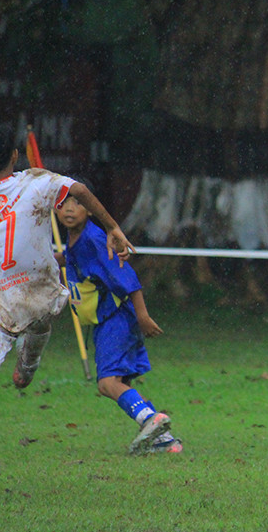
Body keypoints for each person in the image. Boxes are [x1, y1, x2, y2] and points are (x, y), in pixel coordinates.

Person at [0, 96, 135, 501]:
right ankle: (29, 365)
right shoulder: (37, 182)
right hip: (43, 294)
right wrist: (113, 228)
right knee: (40, 323)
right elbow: (80, 189)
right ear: (16, 155)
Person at [54, 190, 180, 455]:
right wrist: (50, 261)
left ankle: (151, 420)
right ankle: (165, 441)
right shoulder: (76, 238)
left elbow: (127, 276)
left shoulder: (95, 239)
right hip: (108, 320)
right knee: (122, 383)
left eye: (77, 202)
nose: (68, 208)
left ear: (90, 209)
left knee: (107, 383)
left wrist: (143, 316)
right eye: (63, 203)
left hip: (116, 317)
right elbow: (76, 259)